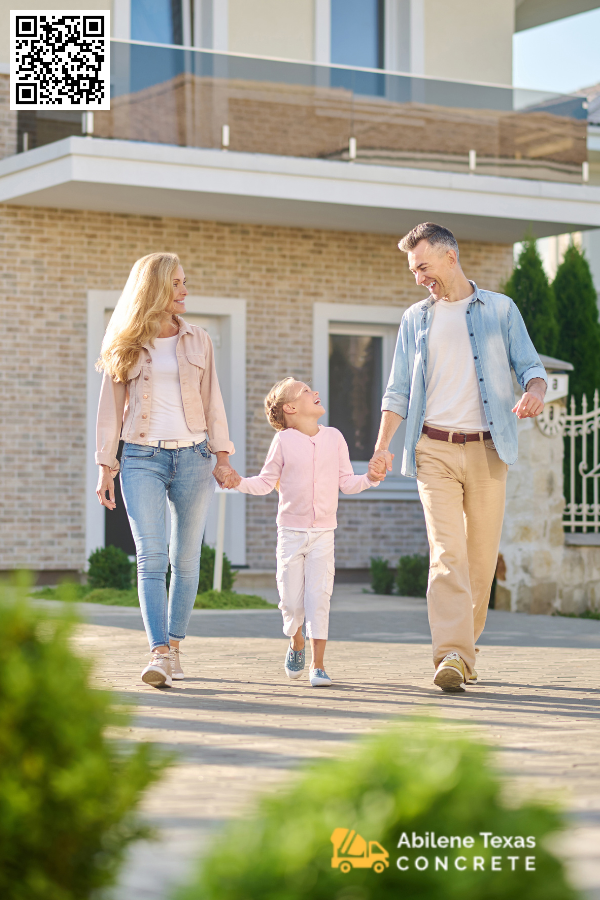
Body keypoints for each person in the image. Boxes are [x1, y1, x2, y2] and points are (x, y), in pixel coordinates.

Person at [368, 223, 547, 693]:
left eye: (423, 266)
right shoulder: (416, 319)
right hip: (434, 451)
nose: (418, 278)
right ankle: (450, 653)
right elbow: (398, 389)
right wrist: (382, 446)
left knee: (480, 561)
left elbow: (530, 365)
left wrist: (535, 391)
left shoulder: (500, 310)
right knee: (448, 555)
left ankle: (465, 653)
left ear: (451, 257)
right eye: (412, 269)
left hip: (488, 450)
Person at [95, 252, 235, 688]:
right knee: (151, 558)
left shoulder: (199, 339)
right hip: (140, 459)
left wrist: (223, 455)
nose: (185, 291)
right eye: (176, 284)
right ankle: (157, 652)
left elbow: (213, 398)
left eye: (185, 282)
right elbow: (110, 411)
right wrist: (106, 466)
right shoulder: (125, 342)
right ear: (155, 287)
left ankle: (175, 648)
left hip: (194, 457)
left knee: (186, 559)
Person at [218, 378, 381, 686]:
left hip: (323, 534)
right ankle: (296, 642)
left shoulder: (334, 437)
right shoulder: (283, 441)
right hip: (291, 534)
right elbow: (266, 482)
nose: (315, 392)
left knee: (320, 597)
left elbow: (347, 482)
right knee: (291, 601)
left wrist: (370, 478)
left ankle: (318, 666)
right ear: (291, 408)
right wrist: (238, 481)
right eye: (307, 391)